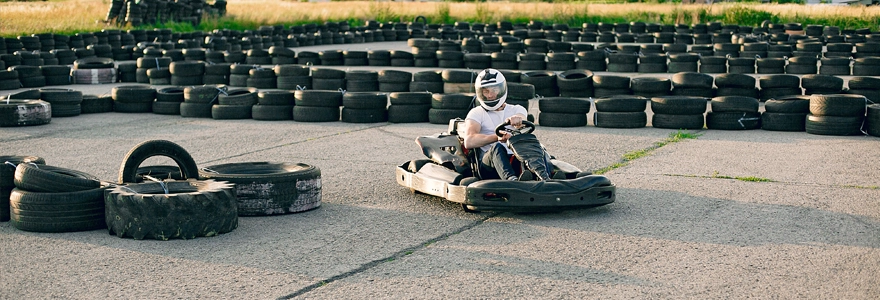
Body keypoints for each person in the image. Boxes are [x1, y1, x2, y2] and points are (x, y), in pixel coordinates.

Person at [462, 68, 528, 181]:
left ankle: (546, 175)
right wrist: (496, 137)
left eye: (494, 90)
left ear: (502, 89)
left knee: (534, 145)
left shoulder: (516, 109)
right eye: (486, 91)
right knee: (497, 147)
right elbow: (469, 141)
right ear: (480, 93)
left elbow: (522, 119)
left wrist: (517, 120)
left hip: (515, 158)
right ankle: (511, 180)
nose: (490, 96)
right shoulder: (477, 113)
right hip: (489, 165)